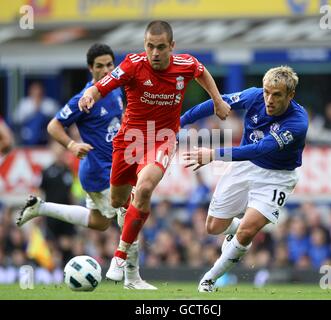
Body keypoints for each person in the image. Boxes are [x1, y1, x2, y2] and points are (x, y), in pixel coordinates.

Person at [78, 21, 231, 274]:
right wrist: (89, 96)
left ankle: (120, 255)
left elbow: (201, 72)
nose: (155, 53)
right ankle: (134, 208)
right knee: (117, 201)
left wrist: (218, 100)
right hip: (129, 140)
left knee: (146, 186)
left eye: (161, 47)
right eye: (150, 46)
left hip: (162, 138)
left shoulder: (185, 64)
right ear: (144, 45)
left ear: (172, 46)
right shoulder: (132, 64)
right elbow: (102, 85)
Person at [16, 43, 156, 290]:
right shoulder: (85, 97)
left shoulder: (115, 89)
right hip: (101, 172)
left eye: (109, 65)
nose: (105, 70)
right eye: (100, 66)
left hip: (109, 169)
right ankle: (132, 279)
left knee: (100, 222)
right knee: (130, 216)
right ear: (91, 68)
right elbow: (53, 126)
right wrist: (71, 145)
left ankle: (41, 207)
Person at [182, 66, 309, 292]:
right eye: (267, 92)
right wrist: (180, 122)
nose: (269, 99)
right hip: (244, 167)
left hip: (277, 178)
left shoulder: (297, 123)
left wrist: (214, 155)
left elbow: (259, 149)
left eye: (277, 94)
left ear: (291, 95)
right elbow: (217, 103)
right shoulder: (254, 96)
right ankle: (240, 230)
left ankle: (209, 279)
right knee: (213, 227)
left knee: (247, 232)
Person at [14, 81, 59, 146]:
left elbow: (58, 119)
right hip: (27, 133)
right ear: (30, 91)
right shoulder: (24, 103)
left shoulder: (50, 103)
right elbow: (16, 119)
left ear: (43, 91)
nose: (37, 92)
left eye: (38, 90)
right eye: (34, 90)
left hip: (46, 134)